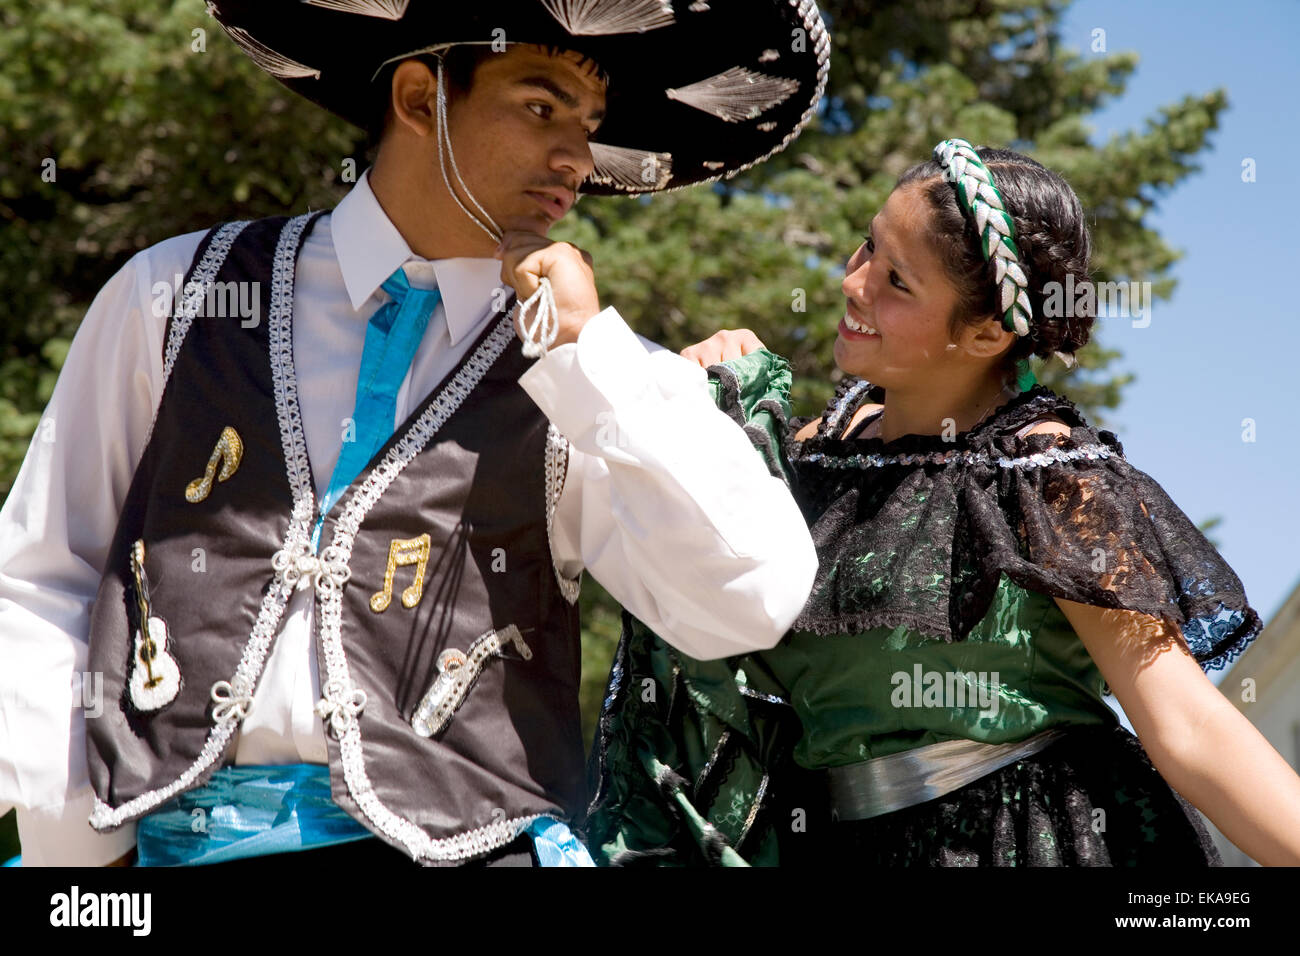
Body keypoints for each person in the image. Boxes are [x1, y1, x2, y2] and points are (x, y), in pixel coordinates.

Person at [0, 0, 832, 866]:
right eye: (542, 108)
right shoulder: (176, 293)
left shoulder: (591, 371)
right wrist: (78, 854)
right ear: (414, 97)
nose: (577, 160)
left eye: (590, 126)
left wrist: (596, 360)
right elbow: (42, 578)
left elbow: (752, 598)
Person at [586, 139, 1300, 866]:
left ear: (988, 331)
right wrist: (706, 412)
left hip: (1027, 843)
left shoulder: (1046, 477)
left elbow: (1188, 727)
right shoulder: (804, 460)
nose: (853, 283)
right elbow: (688, 610)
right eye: (866, 246)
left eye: (896, 280)